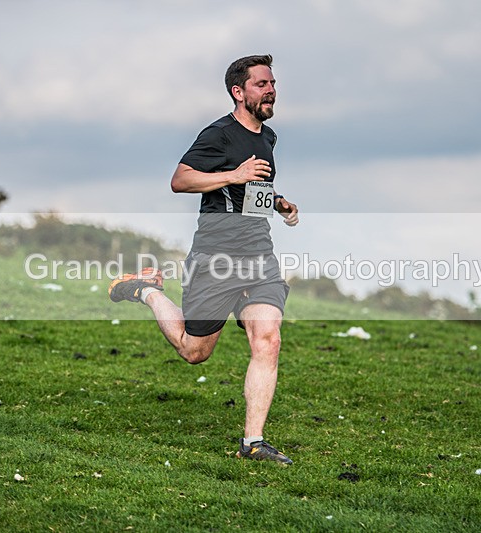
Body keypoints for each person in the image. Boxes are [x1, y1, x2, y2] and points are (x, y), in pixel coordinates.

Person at [109, 54, 299, 464]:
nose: (271, 90)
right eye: (261, 84)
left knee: (268, 339)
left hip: (258, 255)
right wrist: (232, 175)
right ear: (238, 91)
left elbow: (252, 193)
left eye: (272, 83)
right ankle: (146, 291)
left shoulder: (267, 137)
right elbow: (181, 180)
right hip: (216, 256)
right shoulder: (218, 134)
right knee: (195, 351)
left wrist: (279, 203)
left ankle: (253, 443)